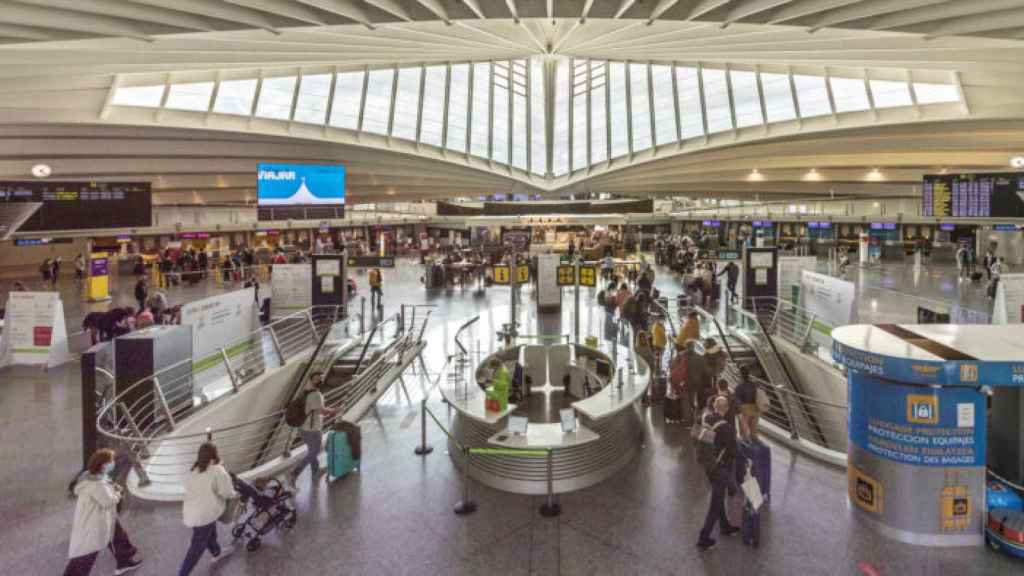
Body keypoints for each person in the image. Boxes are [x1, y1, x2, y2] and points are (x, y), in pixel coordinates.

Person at [64, 449, 142, 576]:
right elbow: (108, 501)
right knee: (86, 553)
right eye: (111, 461)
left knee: (117, 535)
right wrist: (118, 493)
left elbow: (107, 486)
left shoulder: (90, 475)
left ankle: (125, 560)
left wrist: (113, 487)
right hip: (95, 522)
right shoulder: (97, 484)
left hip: (104, 517)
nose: (113, 463)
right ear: (102, 464)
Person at [178, 443, 237, 576]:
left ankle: (217, 552)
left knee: (210, 533)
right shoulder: (218, 470)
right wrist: (234, 495)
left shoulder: (193, 470)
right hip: (205, 515)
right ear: (215, 454)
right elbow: (227, 493)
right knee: (197, 547)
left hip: (192, 512)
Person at [696, 396, 739, 552]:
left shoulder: (706, 418)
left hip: (708, 465)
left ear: (714, 407)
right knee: (715, 503)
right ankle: (703, 538)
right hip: (720, 469)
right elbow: (733, 453)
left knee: (718, 496)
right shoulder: (728, 428)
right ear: (726, 408)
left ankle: (725, 526)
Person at [289, 372, 336, 487]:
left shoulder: (306, 392)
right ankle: (294, 473)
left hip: (303, 428)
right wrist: (334, 410)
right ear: (312, 380)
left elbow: (313, 410)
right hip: (312, 429)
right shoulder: (316, 394)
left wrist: (325, 413)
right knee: (314, 452)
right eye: (317, 378)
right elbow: (321, 410)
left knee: (312, 451)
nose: (320, 380)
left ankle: (315, 471)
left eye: (321, 378)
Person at [734, 366, 760, 441]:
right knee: (754, 433)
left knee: (744, 434)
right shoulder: (754, 385)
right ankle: (756, 450)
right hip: (754, 409)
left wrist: (737, 411)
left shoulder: (739, 387)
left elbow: (737, 400)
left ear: (740, 375)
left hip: (744, 409)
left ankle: (747, 450)